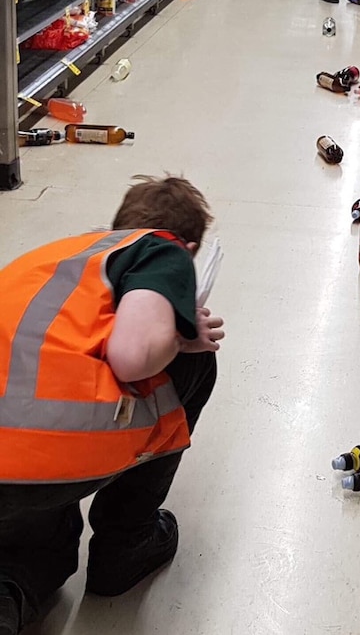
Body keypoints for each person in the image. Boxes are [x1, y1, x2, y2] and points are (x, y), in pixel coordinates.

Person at [0, 176, 225, 635]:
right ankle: (127, 544)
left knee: (41, 550)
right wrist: (181, 335)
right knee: (197, 364)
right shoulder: (162, 250)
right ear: (188, 244)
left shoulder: (65, 255)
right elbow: (131, 357)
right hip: (39, 452)